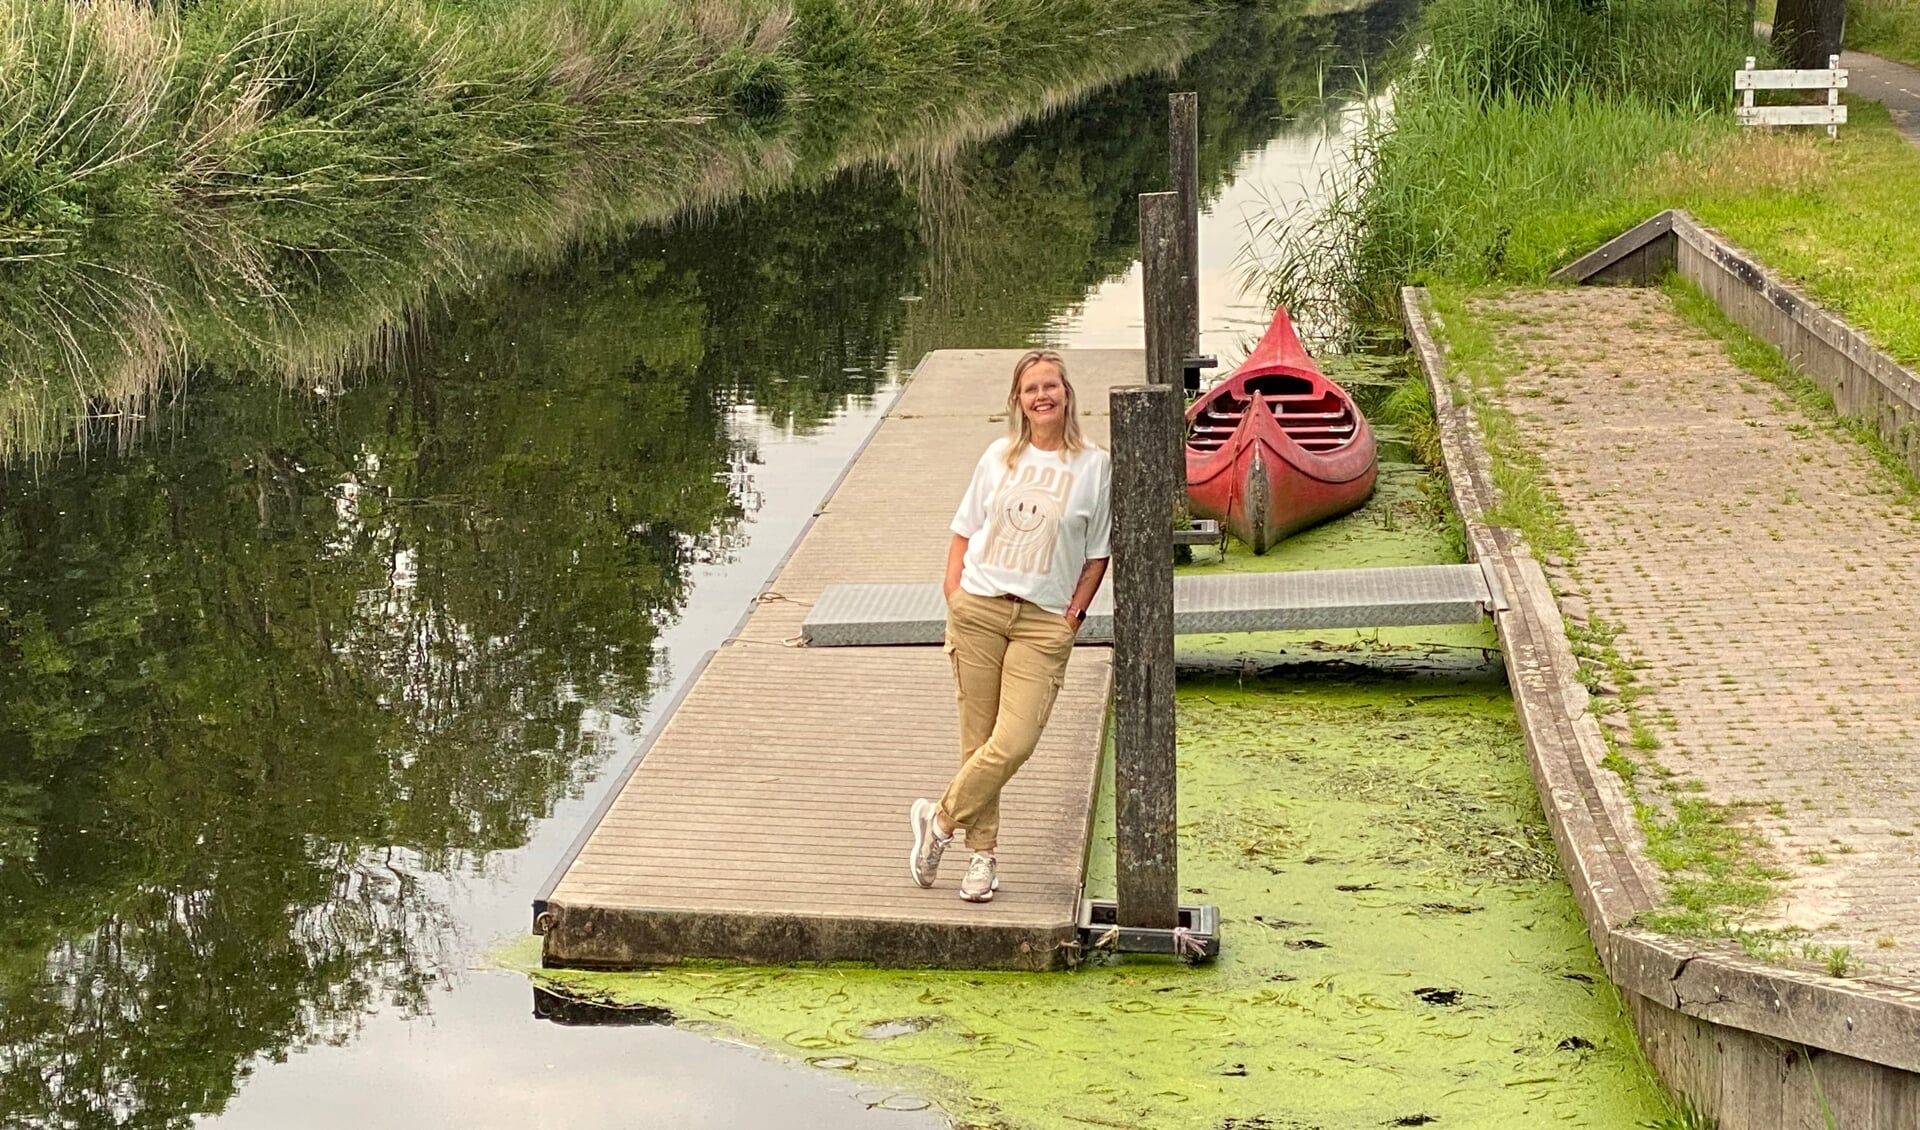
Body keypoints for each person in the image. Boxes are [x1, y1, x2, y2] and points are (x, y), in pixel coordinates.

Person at [908, 349, 1112, 903]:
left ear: (1067, 394)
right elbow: (962, 528)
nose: (1042, 396)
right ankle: (982, 859)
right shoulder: (998, 456)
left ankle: (940, 820)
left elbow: (1097, 554)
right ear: (1018, 401)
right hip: (980, 607)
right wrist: (954, 594)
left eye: (1051, 386)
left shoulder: (1094, 464)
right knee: (977, 738)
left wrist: (1073, 616)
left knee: (1015, 740)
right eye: (1031, 389)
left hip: (1043, 623)